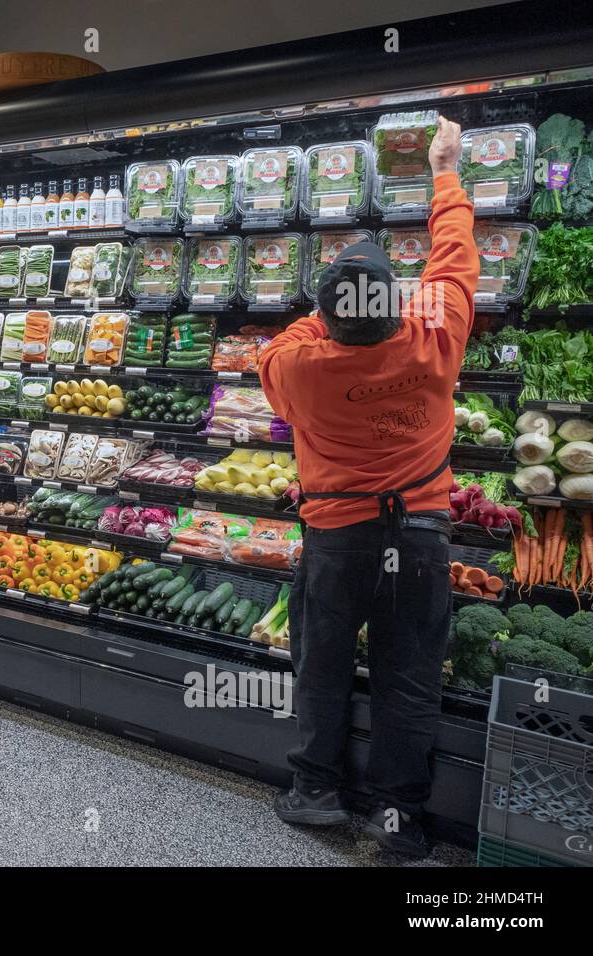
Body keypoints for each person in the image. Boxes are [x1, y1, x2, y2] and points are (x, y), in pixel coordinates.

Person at [257, 117, 475, 857]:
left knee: (319, 661)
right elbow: (454, 262)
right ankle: (399, 820)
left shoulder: (298, 367)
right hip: (418, 539)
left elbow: (288, 337)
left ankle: (316, 787)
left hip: (336, 538)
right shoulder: (436, 336)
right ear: (397, 309)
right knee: (408, 678)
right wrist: (444, 171)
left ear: (324, 318)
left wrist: (330, 304)